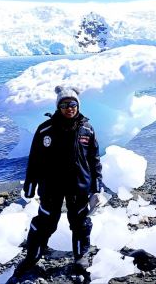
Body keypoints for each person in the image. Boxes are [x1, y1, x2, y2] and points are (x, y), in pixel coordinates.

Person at [14, 86, 104, 276]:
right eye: (64, 105)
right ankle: (32, 257)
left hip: (78, 185)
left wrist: (96, 185)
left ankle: (80, 256)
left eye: (72, 104)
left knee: (80, 222)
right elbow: (35, 160)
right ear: (58, 107)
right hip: (51, 186)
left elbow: (94, 159)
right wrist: (30, 186)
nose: (69, 108)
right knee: (44, 222)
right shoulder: (45, 130)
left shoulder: (87, 129)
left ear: (77, 105)